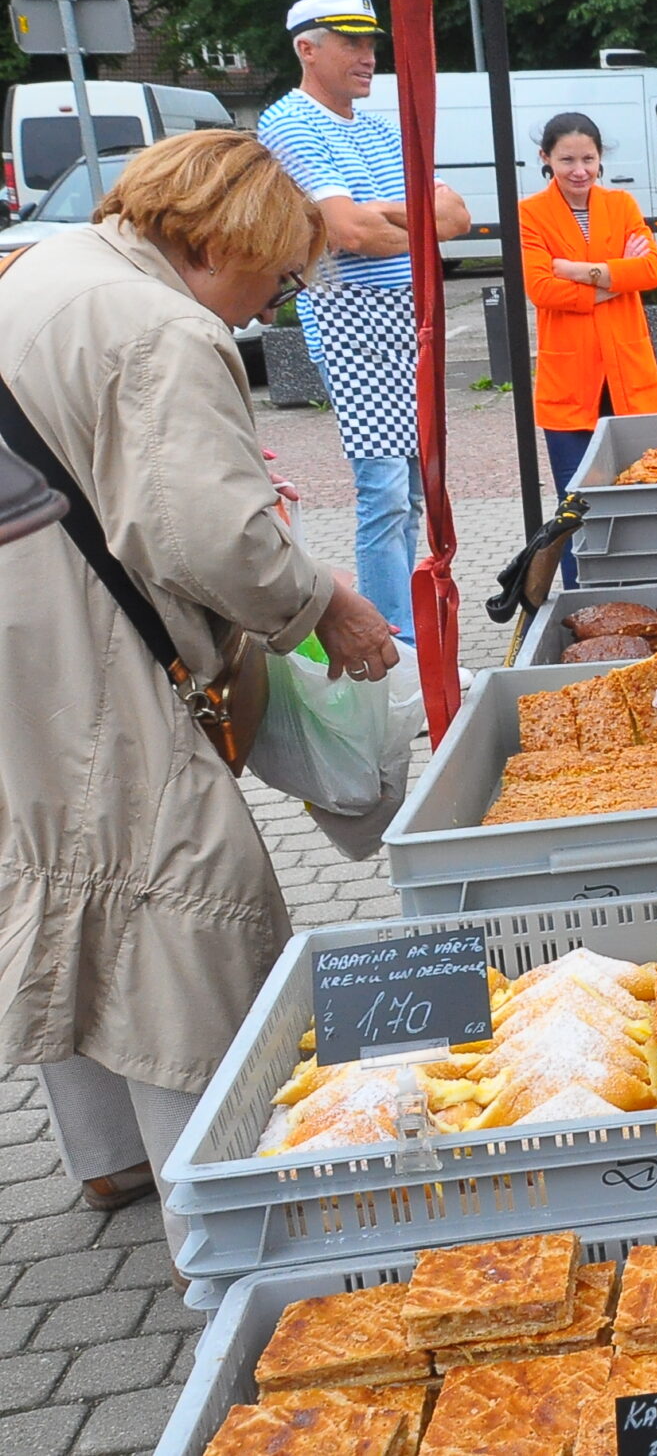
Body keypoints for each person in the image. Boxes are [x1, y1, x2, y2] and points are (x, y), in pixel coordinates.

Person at [0, 132, 403, 1253]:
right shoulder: (166, 328)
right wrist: (323, 601)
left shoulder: (49, 264)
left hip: (25, 637)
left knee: (58, 874)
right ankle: (226, 1216)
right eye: (276, 280)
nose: (271, 307)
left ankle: (108, 1155)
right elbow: (208, 537)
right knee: (180, 898)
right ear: (222, 243)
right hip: (85, 657)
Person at [256, 0, 468, 642]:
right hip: (349, 313)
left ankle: (405, 632)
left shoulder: (378, 128)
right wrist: (409, 219)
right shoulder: (290, 123)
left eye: (370, 42)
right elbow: (350, 234)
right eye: (351, 42)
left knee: (411, 491)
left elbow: (457, 217)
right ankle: (394, 643)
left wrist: (378, 214)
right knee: (385, 491)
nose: (368, 55)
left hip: (405, 312)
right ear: (306, 48)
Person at [521, 112, 657, 586]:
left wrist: (577, 271)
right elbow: (541, 288)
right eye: (567, 160)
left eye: (588, 158)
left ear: (601, 158)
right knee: (575, 504)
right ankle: (578, 596)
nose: (579, 170)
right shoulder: (531, 213)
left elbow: (652, 271)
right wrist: (616, 275)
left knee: (644, 495)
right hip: (570, 386)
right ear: (546, 158)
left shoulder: (621, 204)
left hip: (629, 380)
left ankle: (646, 589)